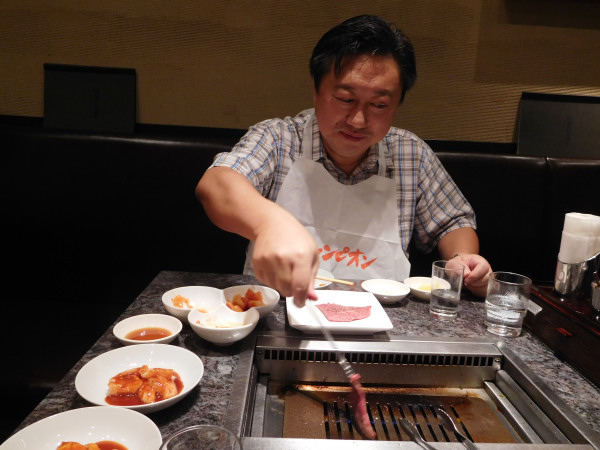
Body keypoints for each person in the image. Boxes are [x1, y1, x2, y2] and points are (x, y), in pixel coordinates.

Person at [196, 14, 492, 307]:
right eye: (345, 99)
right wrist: (270, 225)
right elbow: (217, 185)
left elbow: (452, 222)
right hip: (279, 311)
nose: (358, 120)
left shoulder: (411, 153)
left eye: (379, 105)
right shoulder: (278, 139)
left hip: (384, 319)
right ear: (316, 91)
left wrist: (463, 260)